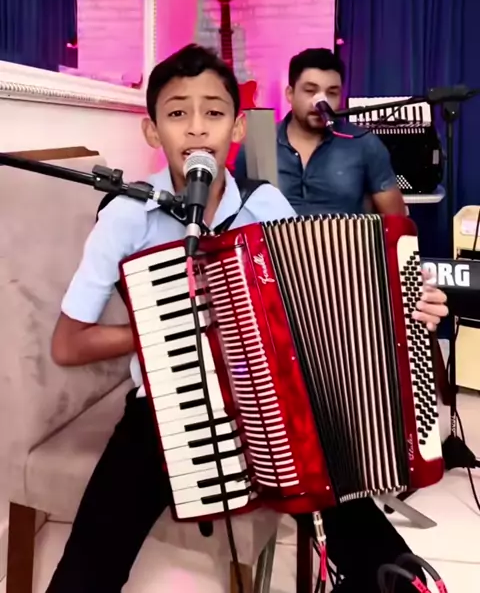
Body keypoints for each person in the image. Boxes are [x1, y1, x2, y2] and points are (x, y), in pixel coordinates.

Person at [47, 44, 447, 593]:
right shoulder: (124, 215)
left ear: (236, 128)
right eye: (177, 113)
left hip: (276, 398)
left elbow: (321, 309)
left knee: (384, 562)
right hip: (164, 406)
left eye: (213, 112)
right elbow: (68, 345)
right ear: (152, 131)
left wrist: (404, 308)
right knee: (89, 565)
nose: (196, 128)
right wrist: (163, 324)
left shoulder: (265, 207)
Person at [235, 47, 406, 216]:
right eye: (310, 91)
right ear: (290, 94)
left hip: (344, 234)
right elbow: (236, 215)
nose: (321, 102)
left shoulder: (364, 144)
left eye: (332, 93)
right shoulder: (258, 144)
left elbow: (397, 221)